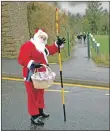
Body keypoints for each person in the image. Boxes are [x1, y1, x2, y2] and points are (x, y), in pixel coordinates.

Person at [18, 28, 65, 126]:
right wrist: (32, 63)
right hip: (31, 75)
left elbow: (51, 50)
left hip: (41, 76)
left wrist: (57, 44)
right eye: (41, 37)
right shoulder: (28, 46)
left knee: (40, 93)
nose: (42, 38)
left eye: (44, 37)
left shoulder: (42, 47)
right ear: (36, 36)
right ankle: (34, 116)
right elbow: (22, 59)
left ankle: (40, 111)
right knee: (32, 96)